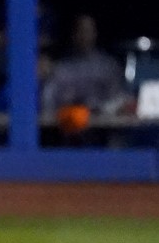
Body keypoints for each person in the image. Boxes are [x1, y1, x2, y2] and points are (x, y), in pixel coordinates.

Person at [40, 13, 133, 146]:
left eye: (88, 31)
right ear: (73, 35)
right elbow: (48, 104)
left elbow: (119, 99)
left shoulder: (107, 66)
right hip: (68, 134)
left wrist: (99, 111)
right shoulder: (61, 68)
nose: (84, 36)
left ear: (95, 34)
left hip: (102, 133)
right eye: (80, 31)